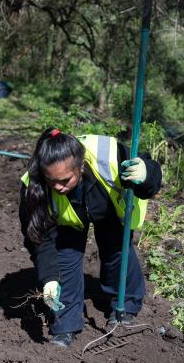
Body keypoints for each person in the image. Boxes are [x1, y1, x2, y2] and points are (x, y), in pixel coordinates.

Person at [18, 128, 162, 347]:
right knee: (65, 258)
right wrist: (49, 277)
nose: (58, 187)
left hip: (109, 206)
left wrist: (145, 174)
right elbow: (39, 237)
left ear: (81, 166)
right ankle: (65, 327)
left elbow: (149, 175)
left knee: (115, 248)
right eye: (52, 181)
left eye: (65, 180)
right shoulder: (34, 184)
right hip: (68, 219)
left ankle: (126, 305)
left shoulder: (109, 155)